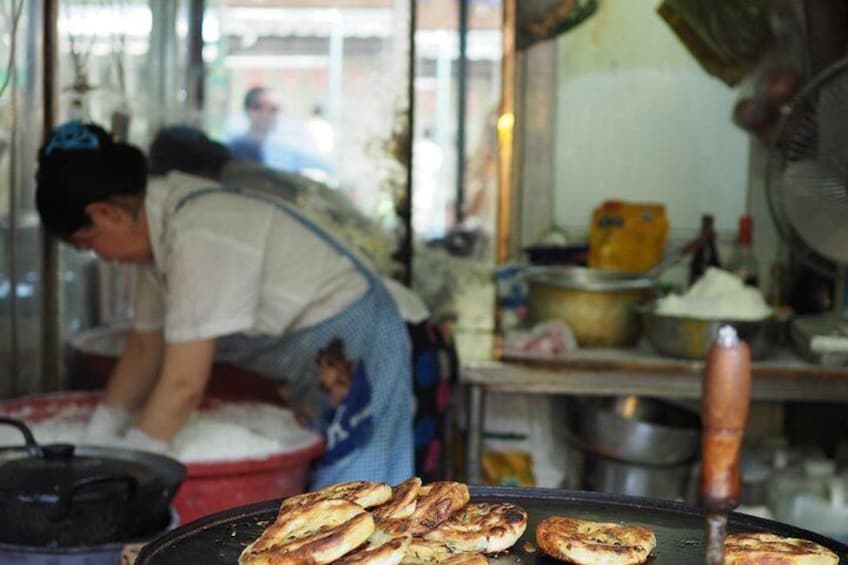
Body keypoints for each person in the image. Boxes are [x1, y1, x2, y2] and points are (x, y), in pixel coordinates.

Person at [35, 120, 414, 487]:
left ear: (107, 214)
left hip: (359, 336)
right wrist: (94, 442)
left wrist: (130, 474)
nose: (98, 255)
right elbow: (144, 348)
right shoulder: (159, 226)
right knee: (327, 494)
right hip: (313, 350)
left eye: (87, 244)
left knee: (359, 494)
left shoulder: (197, 232)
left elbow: (184, 384)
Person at [149, 125, 457, 481]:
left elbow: (184, 375)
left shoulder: (218, 208)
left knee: (396, 483)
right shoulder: (196, 211)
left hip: (396, 326)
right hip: (348, 322)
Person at [229, 86, 334, 182]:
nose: (265, 114)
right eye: (257, 107)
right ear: (247, 109)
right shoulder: (234, 146)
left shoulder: (286, 150)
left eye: (273, 109)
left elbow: (326, 167)